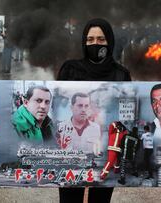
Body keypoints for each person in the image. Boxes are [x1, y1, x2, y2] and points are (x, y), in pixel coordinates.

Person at [57, 18, 131, 203]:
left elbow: (126, 110)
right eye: (90, 40)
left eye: (101, 39)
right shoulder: (70, 69)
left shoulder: (121, 74)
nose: (95, 44)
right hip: (71, 154)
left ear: (110, 42)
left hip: (105, 149)